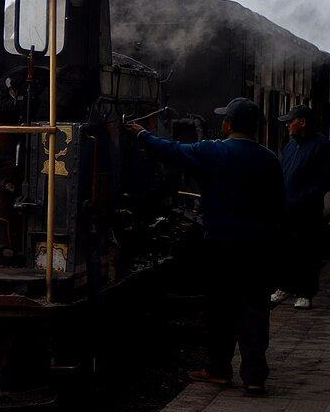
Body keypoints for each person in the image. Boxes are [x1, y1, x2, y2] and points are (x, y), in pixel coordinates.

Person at [126, 98, 286, 395]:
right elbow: (279, 209)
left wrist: (140, 133)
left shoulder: (214, 151)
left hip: (221, 246)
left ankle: (219, 370)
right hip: (257, 249)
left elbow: (172, 151)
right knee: (254, 310)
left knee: (220, 309)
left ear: (228, 124)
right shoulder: (270, 159)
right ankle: (254, 376)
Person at [269, 105, 330, 310]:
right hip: (286, 209)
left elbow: (324, 180)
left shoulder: (321, 145)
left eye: (291, 121)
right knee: (285, 250)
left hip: (308, 211)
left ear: (302, 122)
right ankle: (284, 287)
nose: (287, 125)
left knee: (307, 252)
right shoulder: (290, 146)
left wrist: (305, 198)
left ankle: (305, 293)